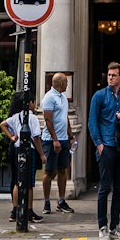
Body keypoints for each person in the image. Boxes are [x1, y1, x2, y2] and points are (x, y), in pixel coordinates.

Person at [88, 61, 120, 240]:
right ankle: (102, 226)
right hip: (106, 146)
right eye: (109, 75)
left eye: (114, 75)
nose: (110, 78)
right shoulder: (99, 96)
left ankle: (115, 225)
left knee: (118, 188)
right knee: (104, 188)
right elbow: (92, 122)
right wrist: (99, 145)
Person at [0, 92, 45, 223]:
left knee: (17, 181)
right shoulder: (33, 118)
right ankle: (29, 211)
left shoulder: (15, 116)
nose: (35, 105)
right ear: (29, 103)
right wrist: (41, 154)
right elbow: (36, 137)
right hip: (28, 150)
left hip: (16, 149)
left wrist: (12, 137)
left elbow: (3, 124)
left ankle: (15, 210)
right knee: (29, 183)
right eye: (33, 102)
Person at [40, 72, 75, 214]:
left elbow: (64, 117)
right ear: (59, 83)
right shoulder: (48, 98)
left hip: (64, 139)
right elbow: (48, 120)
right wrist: (55, 139)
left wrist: (70, 135)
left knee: (62, 170)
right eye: (65, 82)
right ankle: (46, 202)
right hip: (50, 140)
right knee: (50, 171)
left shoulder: (63, 98)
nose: (67, 84)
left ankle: (61, 201)